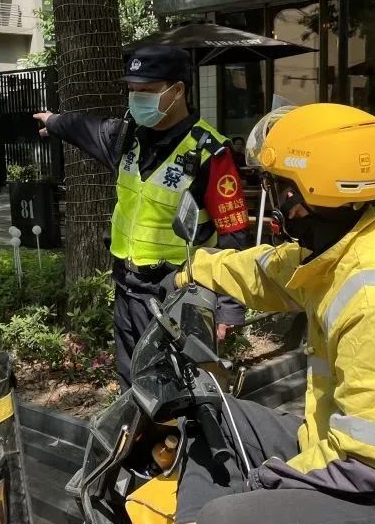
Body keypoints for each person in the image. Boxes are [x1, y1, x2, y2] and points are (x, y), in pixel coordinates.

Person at [151, 103, 375, 524]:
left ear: (300, 195)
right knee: (213, 414)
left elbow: (372, 464)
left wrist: (268, 482)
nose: (267, 196)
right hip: (358, 451)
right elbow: (268, 271)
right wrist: (191, 272)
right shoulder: (351, 241)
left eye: (273, 184)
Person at [34, 45, 250, 390]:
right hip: (128, 287)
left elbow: (234, 234)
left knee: (179, 386)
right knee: (131, 379)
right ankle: (136, 442)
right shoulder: (126, 138)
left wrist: (229, 308)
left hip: (179, 292)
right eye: (132, 90)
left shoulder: (210, 152)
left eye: (146, 91)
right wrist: (53, 122)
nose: (137, 99)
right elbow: (82, 127)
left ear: (177, 90)